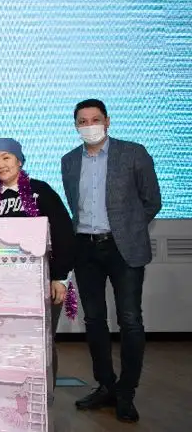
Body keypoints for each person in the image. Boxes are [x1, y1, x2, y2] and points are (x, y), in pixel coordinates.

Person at [61, 99, 161, 423]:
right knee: (93, 320)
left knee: (130, 320)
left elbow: (152, 201)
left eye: (95, 119)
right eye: (82, 121)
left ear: (107, 121)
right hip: (84, 248)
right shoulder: (69, 160)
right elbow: (74, 205)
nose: (89, 125)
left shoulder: (133, 153)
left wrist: (128, 229)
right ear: (76, 126)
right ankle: (105, 385)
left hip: (123, 248)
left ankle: (126, 392)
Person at [0, 138, 74, 391]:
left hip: (41, 282)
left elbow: (64, 234)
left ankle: (43, 398)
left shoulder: (41, 191)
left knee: (41, 343)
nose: (1, 164)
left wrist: (60, 278)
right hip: (2, 287)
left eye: (6, 158)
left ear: (20, 161)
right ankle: (11, 396)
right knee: (5, 340)